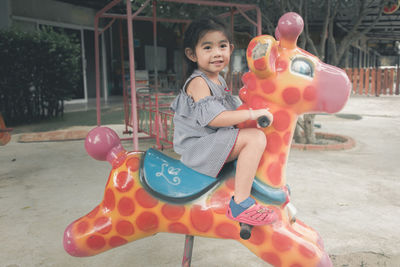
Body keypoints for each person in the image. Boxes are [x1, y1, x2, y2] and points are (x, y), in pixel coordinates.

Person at [170, 16, 276, 226]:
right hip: (197, 149)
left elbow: (231, 110)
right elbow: (217, 118)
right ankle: (240, 204)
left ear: (231, 48)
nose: (217, 53)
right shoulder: (199, 82)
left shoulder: (217, 79)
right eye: (207, 47)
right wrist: (252, 114)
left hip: (211, 142)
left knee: (258, 137)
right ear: (192, 54)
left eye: (222, 46)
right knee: (254, 139)